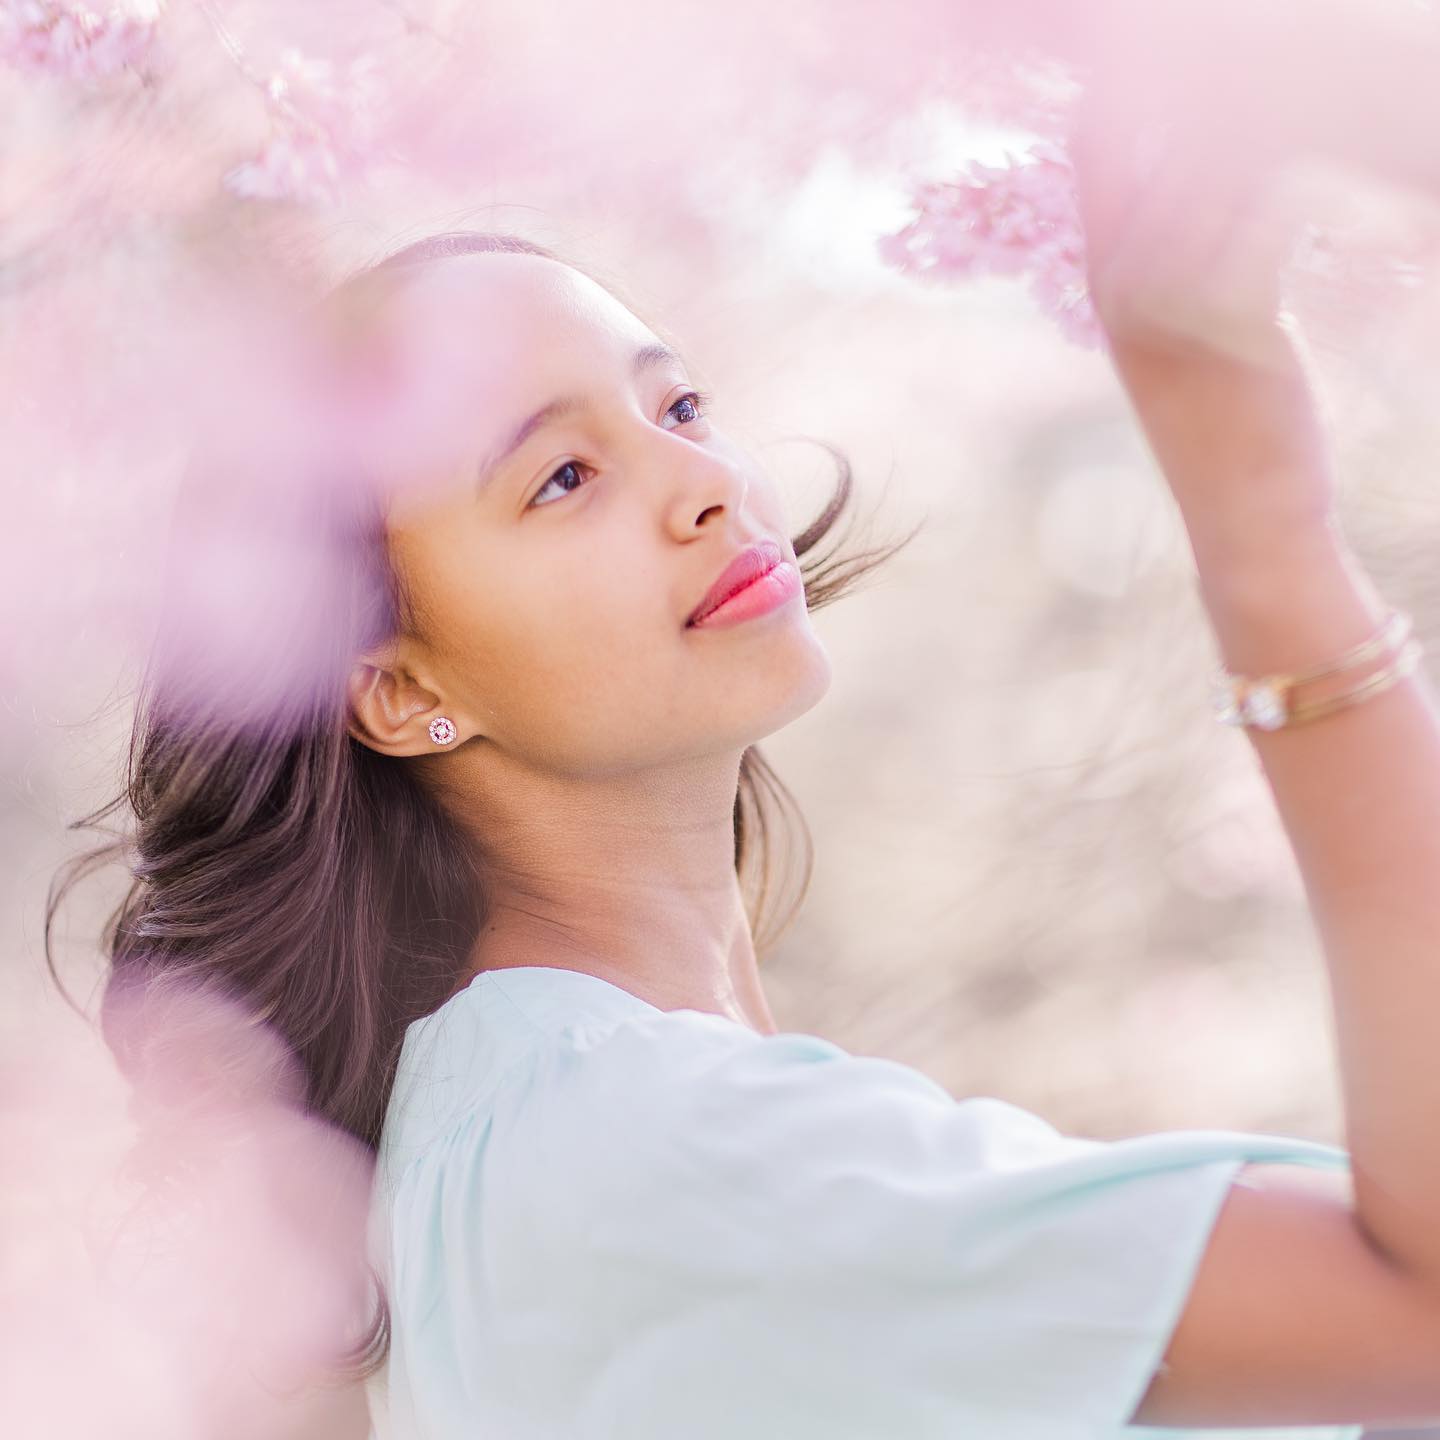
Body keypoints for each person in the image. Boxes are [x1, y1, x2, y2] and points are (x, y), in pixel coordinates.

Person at [46, 216, 1440, 1440]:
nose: (703, 482)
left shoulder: (531, 1147)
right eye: (562, 479)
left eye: (681, 403)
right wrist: (1266, 532)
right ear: (403, 689)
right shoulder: (663, 1162)